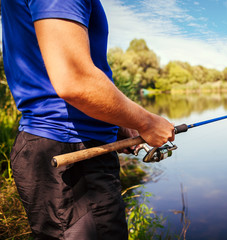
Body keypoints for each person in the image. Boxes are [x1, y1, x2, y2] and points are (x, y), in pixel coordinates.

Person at [1, 0, 175, 239]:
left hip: (64, 149)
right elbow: (75, 80)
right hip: (69, 157)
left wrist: (116, 124)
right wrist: (147, 122)